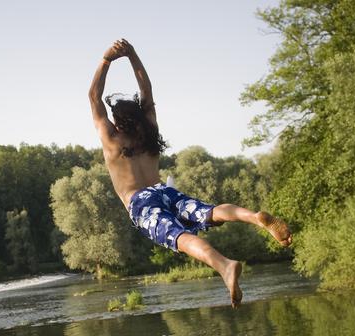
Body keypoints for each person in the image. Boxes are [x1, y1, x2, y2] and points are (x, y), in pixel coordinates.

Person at [88, 39, 292, 307]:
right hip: (164, 190)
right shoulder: (148, 131)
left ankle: (224, 266)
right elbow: (146, 89)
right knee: (210, 212)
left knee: (179, 237)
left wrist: (105, 60)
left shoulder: (112, 139)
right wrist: (133, 55)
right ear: (138, 116)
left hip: (142, 203)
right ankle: (254, 217)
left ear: (117, 120)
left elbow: (94, 96)